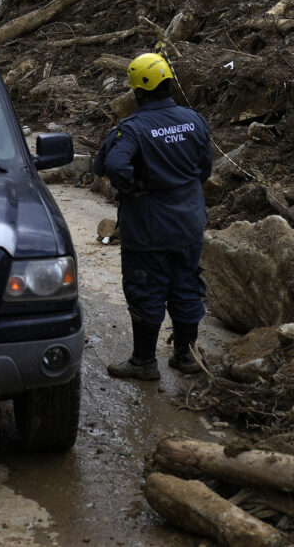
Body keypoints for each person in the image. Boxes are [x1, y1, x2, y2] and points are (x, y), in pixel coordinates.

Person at [92, 53, 212, 380]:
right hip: (188, 222)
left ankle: (144, 361)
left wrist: (134, 187)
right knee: (186, 283)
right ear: (168, 83)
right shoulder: (194, 120)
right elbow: (205, 169)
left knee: (146, 288)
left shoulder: (131, 129)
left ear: (138, 92)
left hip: (148, 227)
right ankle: (186, 356)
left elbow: (110, 167)